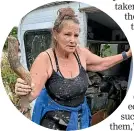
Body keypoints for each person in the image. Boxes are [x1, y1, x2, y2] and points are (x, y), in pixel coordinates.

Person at [15, 7, 132, 130]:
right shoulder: (46, 59)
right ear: (55, 34)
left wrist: (127, 54)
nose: (73, 40)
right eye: (67, 34)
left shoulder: (80, 53)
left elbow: (102, 63)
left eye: (76, 35)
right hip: (54, 120)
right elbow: (31, 94)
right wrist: (22, 91)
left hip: (80, 116)